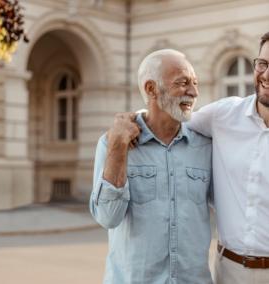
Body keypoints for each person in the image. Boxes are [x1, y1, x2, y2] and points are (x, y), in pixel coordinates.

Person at [90, 49, 213, 284]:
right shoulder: (113, 143)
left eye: (195, 83)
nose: (194, 92)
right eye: (182, 82)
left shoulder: (205, 145)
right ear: (151, 89)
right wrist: (118, 148)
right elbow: (108, 218)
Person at [186, 32, 269, 284]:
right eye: (263, 64)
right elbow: (171, 122)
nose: (265, 75)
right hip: (229, 270)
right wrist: (133, 120)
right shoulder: (223, 115)